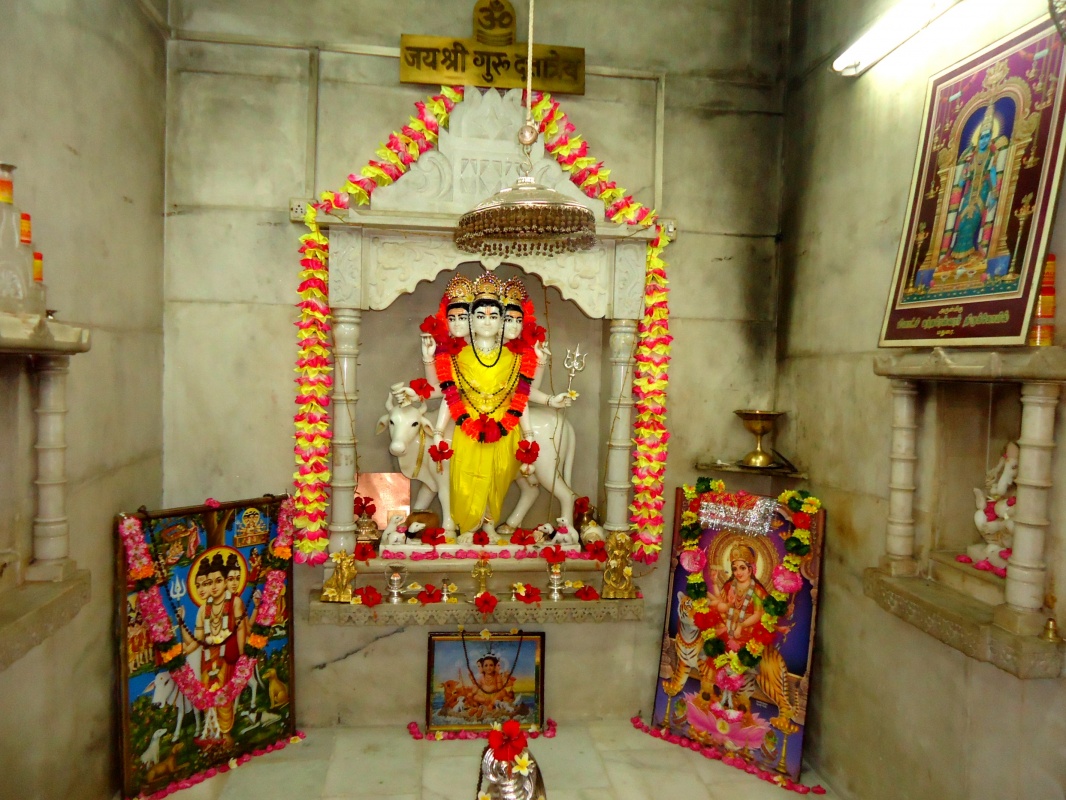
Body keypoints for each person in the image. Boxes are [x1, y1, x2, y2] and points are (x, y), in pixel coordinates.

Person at [179, 551, 246, 743]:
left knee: (224, 694)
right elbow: (198, 639)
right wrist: (182, 651)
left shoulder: (234, 602)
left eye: (218, 581)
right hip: (208, 658)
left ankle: (226, 733)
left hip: (226, 656)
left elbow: (241, 629)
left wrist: (243, 656)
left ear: (225, 582)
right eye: (210, 583)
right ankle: (211, 734)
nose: (214, 587)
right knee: (208, 693)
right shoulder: (203, 609)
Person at [708, 544, 769, 651]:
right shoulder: (729, 586)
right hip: (728, 626)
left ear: (750, 570)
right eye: (735, 569)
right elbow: (720, 603)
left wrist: (741, 626)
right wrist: (714, 583)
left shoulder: (756, 590)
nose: (738, 573)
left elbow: (757, 614)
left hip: (747, 630)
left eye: (742, 568)